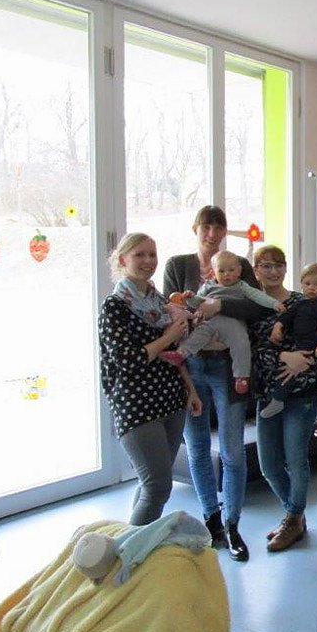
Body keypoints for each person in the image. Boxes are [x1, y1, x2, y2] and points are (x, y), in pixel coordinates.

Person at [163, 205, 255, 562]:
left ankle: (233, 524)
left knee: (232, 450)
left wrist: (219, 309)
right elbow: (168, 310)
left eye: (219, 228)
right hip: (191, 367)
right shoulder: (178, 265)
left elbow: (255, 308)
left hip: (228, 367)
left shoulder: (239, 265)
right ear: (195, 229)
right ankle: (211, 519)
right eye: (206, 227)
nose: (213, 234)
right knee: (198, 447)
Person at [98, 233, 201, 525]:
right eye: (139, 255)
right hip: (137, 406)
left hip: (171, 399)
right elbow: (127, 360)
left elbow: (175, 353)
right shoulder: (115, 306)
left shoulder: (158, 301)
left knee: (150, 484)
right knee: (158, 486)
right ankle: (131, 550)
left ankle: (132, 541)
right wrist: (168, 336)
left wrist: (190, 389)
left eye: (152, 254)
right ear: (123, 260)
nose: (147, 261)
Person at [248, 245, 317, 552]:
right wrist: (284, 356)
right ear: (256, 271)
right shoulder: (251, 307)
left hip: (302, 392)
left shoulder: (303, 300)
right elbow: (252, 351)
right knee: (268, 465)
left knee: (295, 458)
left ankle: (292, 520)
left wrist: (303, 360)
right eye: (265, 266)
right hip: (267, 394)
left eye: (278, 264)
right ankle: (295, 514)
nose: (273, 271)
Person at [162, 249, 284, 394]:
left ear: (239, 271)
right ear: (214, 273)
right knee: (198, 335)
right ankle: (181, 353)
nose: (227, 274)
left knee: (241, 343)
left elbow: (258, 297)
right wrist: (190, 297)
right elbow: (196, 303)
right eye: (221, 271)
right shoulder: (208, 286)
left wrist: (274, 304)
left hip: (234, 323)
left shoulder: (242, 286)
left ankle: (241, 376)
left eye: (231, 270)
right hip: (210, 323)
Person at [259, 262, 317, 418]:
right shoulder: (299, 303)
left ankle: (278, 399)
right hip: (296, 345)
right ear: (301, 284)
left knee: (293, 373)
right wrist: (278, 326)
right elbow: (286, 316)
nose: (311, 288)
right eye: (307, 284)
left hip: (312, 346)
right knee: (286, 370)